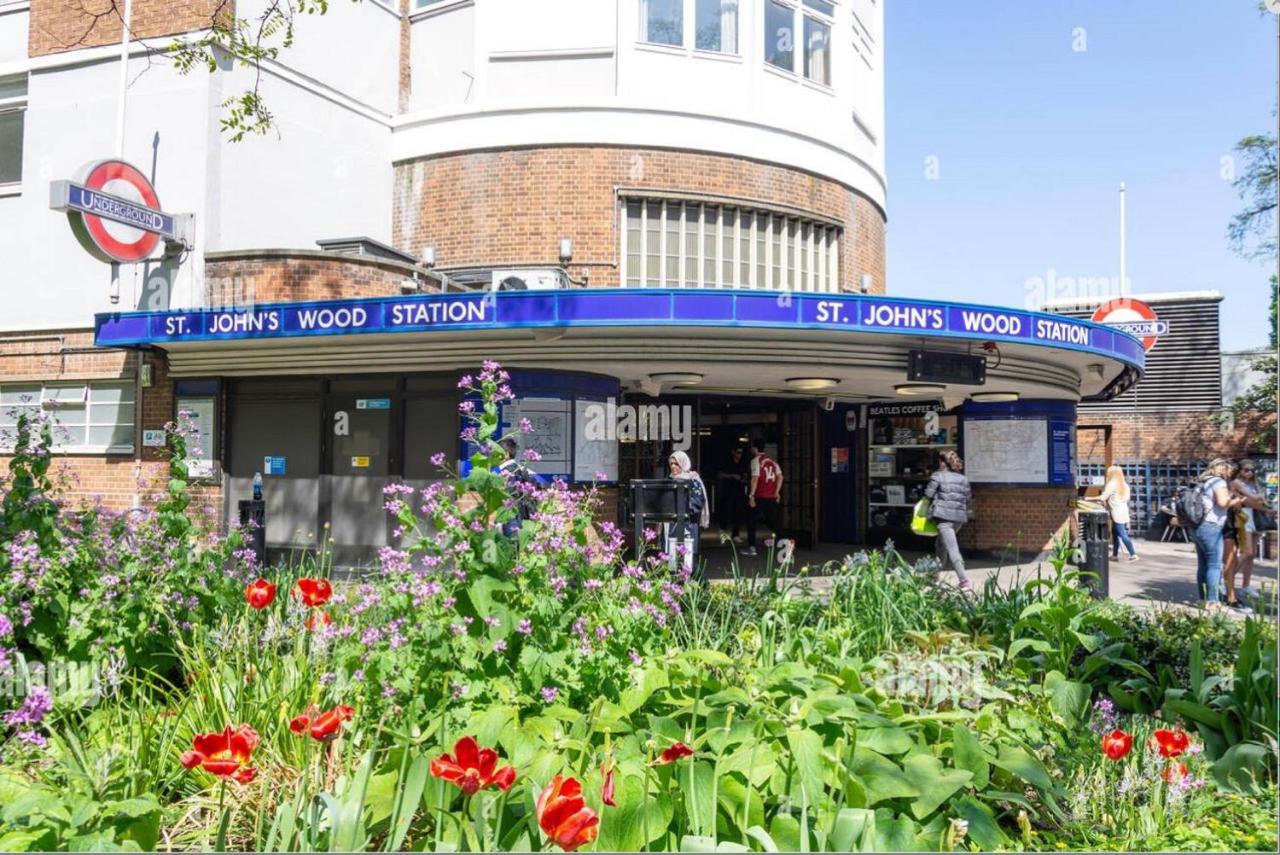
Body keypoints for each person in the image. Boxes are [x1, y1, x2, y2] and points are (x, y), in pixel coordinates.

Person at [1189, 458, 1240, 610]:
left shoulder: (1202, 481)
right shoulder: (1218, 482)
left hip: (1197, 526)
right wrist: (1236, 500)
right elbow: (1223, 503)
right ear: (1223, 469)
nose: (1230, 473)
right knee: (1214, 564)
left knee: (1203, 564)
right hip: (1211, 526)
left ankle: (1203, 599)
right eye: (1229, 470)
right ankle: (1213, 601)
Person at [1224, 460, 1274, 610]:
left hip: (1256, 517)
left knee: (1252, 555)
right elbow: (1253, 498)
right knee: (1247, 552)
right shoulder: (1237, 483)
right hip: (1243, 517)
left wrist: (1263, 503)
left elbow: (1257, 499)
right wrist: (1262, 500)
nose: (1250, 473)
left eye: (1252, 470)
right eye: (1246, 470)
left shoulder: (1255, 483)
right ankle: (1227, 578)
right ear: (1239, 470)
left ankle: (1246, 585)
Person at [924, 449, 972, 591]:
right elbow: (968, 499)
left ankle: (964, 581)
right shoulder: (963, 479)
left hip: (943, 518)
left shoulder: (937, 476)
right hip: (958, 518)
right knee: (941, 546)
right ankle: (933, 577)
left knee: (952, 550)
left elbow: (928, 494)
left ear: (942, 462)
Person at [668, 450, 709, 577]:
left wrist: (683, 509)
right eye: (671, 464)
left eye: (677, 464)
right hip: (671, 525)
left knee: (690, 558)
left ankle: (701, 585)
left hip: (688, 525)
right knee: (672, 558)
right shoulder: (669, 480)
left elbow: (697, 502)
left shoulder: (693, 480)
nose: (673, 466)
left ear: (684, 464)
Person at [743, 438, 783, 557]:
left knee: (752, 521)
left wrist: (751, 495)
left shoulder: (755, 461)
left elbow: (755, 478)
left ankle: (752, 547)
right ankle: (784, 544)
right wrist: (777, 491)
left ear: (754, 448)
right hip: (771, 496)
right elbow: (780, 477)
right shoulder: (772, 461)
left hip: (760, 496)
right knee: (773, 522)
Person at [1098, 464, 1139, 562]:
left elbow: (1103, 497)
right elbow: (1126, 499)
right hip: (1123, 511)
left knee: (1122, 534)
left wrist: (1087, 498)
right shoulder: (1125, 485)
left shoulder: (1112, 484)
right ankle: (1115, 555)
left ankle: (1133, 554)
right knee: (1115, 533)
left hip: (1116, 512)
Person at [716, 446, 749, 542]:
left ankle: (736, 534)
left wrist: (744, 479)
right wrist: (731, 476)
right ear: (733, 452)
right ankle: (722, 530)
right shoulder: (727, 463)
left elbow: (746, 476)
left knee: (738, 513)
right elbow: (719, 475)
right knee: (726, 511)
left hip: (739, 491)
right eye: (738, 452)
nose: (739, 455)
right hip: (728, 491)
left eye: (741, 453)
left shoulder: (743, 464)